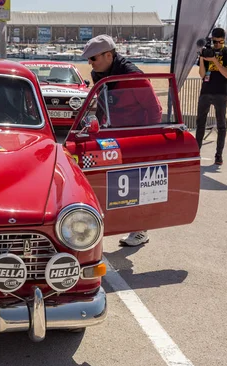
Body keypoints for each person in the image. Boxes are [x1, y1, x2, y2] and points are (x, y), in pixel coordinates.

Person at [82, 34, 162, 247]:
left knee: (136, 184)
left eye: (93, 58)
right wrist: (93, 129)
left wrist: (148, 140)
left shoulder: (134, 76)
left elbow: (155, 110)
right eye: (88, 59)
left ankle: (140, 229)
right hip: (115, 135)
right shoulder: (99, 74)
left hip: (137, 137)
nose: (90, 63)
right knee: (115, 182)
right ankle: (110, 223)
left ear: (109, 55)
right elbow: (101, 103)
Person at [195, 27, 227, 166]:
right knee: (200, 123)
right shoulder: (207, 50)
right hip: (206, 90)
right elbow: (202, 74)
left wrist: (214, 59)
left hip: (221, 92)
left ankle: (218, 155)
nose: (217, 44)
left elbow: (226, 73)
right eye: (215, 42)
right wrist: (202, 58)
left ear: (223, 40)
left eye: (219, 42)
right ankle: (196, 152)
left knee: (221, 125)